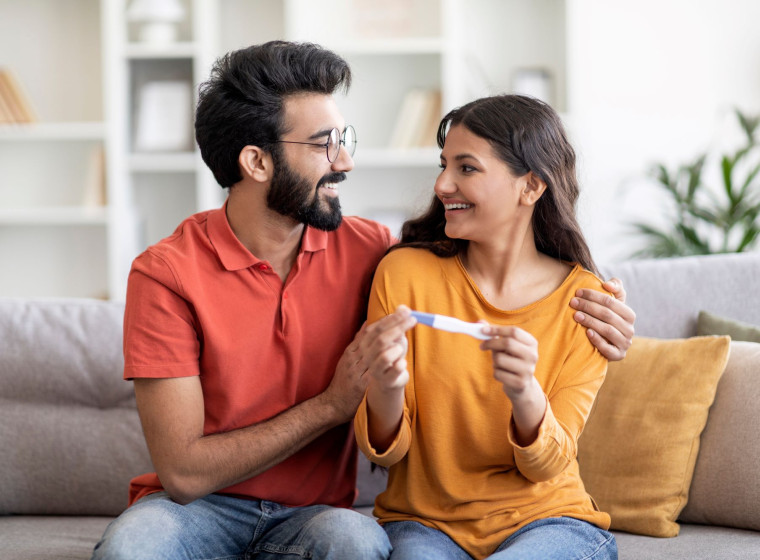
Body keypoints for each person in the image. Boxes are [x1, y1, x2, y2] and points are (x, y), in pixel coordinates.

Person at [92, 41, 633, 560]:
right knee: (132, 548)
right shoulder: (165, 274)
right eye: (324, 143)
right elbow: (183, 474)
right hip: (196, 510)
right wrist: (331, 404)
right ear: (256, 162)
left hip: (315, 516)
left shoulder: (371, 251)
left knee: (358, 544)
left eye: (344, 136)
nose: (345, 159)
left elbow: (489, 264)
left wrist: (612, 314)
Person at [355, 94, 622, 560]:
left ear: (531, 186)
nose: (441, 184)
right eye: (443, 166)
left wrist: (525, 393)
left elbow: (549, 465)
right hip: (424, 525)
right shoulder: (404, 275)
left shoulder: (586, 303)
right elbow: (384, 453)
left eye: (467, 168)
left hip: (551, 522)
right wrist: (386, 387)